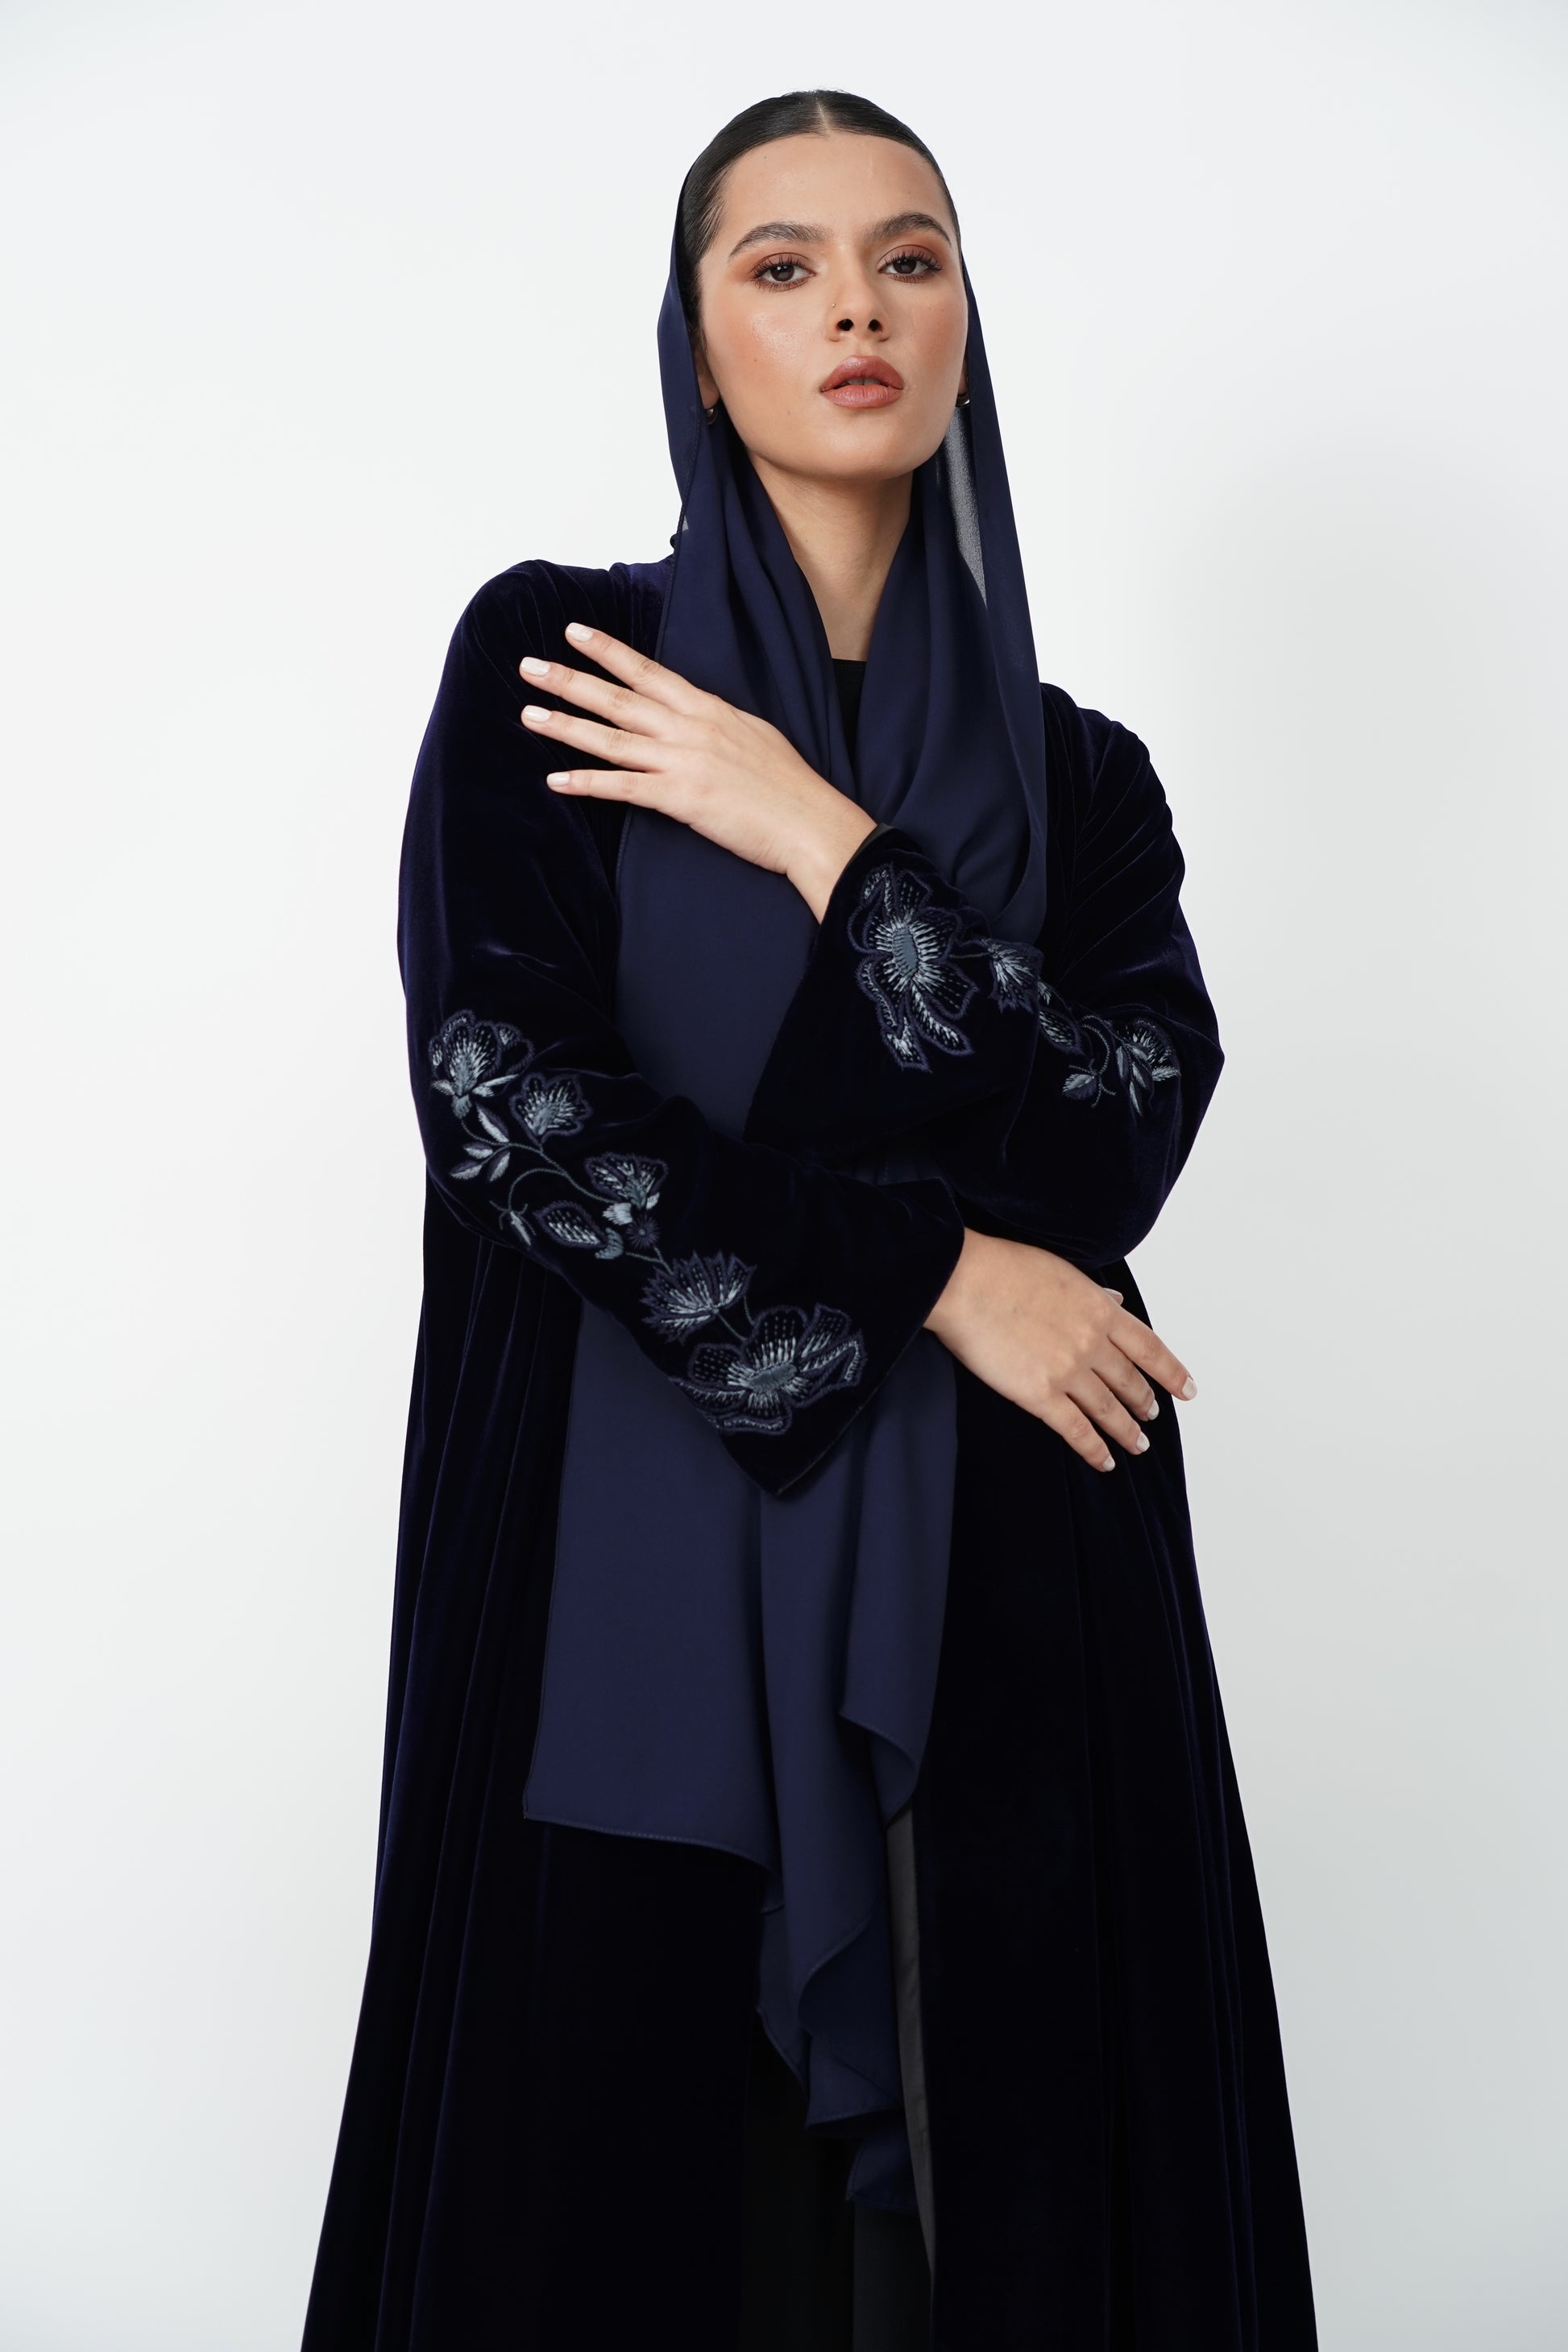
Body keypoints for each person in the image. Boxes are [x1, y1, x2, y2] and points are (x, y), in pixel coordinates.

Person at [301, 89, 1318, 2352]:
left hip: (1014, 1610)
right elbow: (515, 1111)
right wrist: (934, 1266)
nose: (855, 304)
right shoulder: (566, 666)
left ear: (961, 326)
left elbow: (1114, 1141)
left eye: (907, 257)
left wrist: (820, 840)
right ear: (698, 343)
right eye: (783, 266)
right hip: (625, 1584)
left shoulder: (1079, 780)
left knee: (995, 2227)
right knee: (631, 2215)